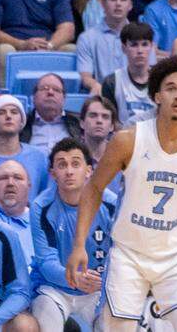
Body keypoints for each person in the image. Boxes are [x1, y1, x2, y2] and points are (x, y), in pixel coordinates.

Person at [64, 58, 177, 330]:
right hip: (128, 253)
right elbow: (93, 188)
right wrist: (79, 243)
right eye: (171, 88)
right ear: (156, 96)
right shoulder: (127, 140)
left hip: (176, 256)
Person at [29, 138, 115, 330]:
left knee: (114, 324)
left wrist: (101, 281)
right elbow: (46, 262)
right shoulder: (41, 207)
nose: (69, 171)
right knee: (46, 314)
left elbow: (121, 252)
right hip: (54, 288)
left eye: (76, 164)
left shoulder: (110, 204)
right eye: (62, 165)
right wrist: (75, 278)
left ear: (89, 170)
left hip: (97, 288)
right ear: (52, 173)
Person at [75, 0, 134, 95]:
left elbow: (148, 73)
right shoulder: (87, 38)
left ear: (130, 5)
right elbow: (85, 76)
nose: (118, 3)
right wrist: (97, 86)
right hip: (102, 97)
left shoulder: (141, 36)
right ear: (102, 3)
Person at [20, 73, 80, 153]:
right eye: (44, 88)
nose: (50, 92)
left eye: (56, 89)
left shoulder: (78, 122)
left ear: (64, 98)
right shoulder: (21, 123)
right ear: (34, 97)